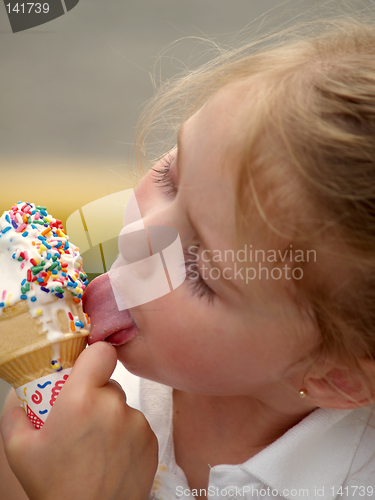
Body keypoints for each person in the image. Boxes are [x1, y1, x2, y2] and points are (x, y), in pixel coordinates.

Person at [2, 17, 375, 500]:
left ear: (335, 376)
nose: (137, 235)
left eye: (203, 273)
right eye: (170, 178)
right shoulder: (78, 390)